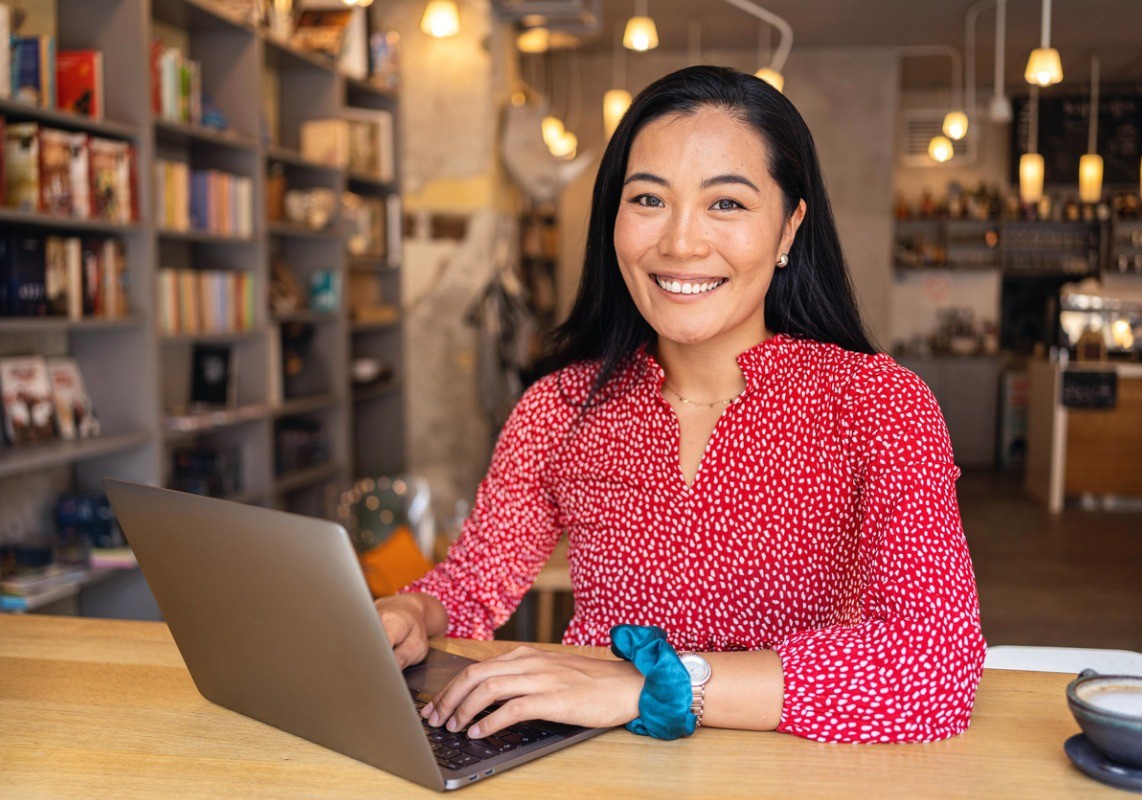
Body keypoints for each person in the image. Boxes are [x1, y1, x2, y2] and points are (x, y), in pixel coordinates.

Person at [376, 65, 986, 745]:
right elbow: (470, 586)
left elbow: (937, 666)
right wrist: (413, 610)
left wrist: (651, 685)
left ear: (789, 229)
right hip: (596, 770)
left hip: (797, 775)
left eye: (726, 203)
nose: (680, 243)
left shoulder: (878, 404)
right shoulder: (560, 407)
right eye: (648, 200)